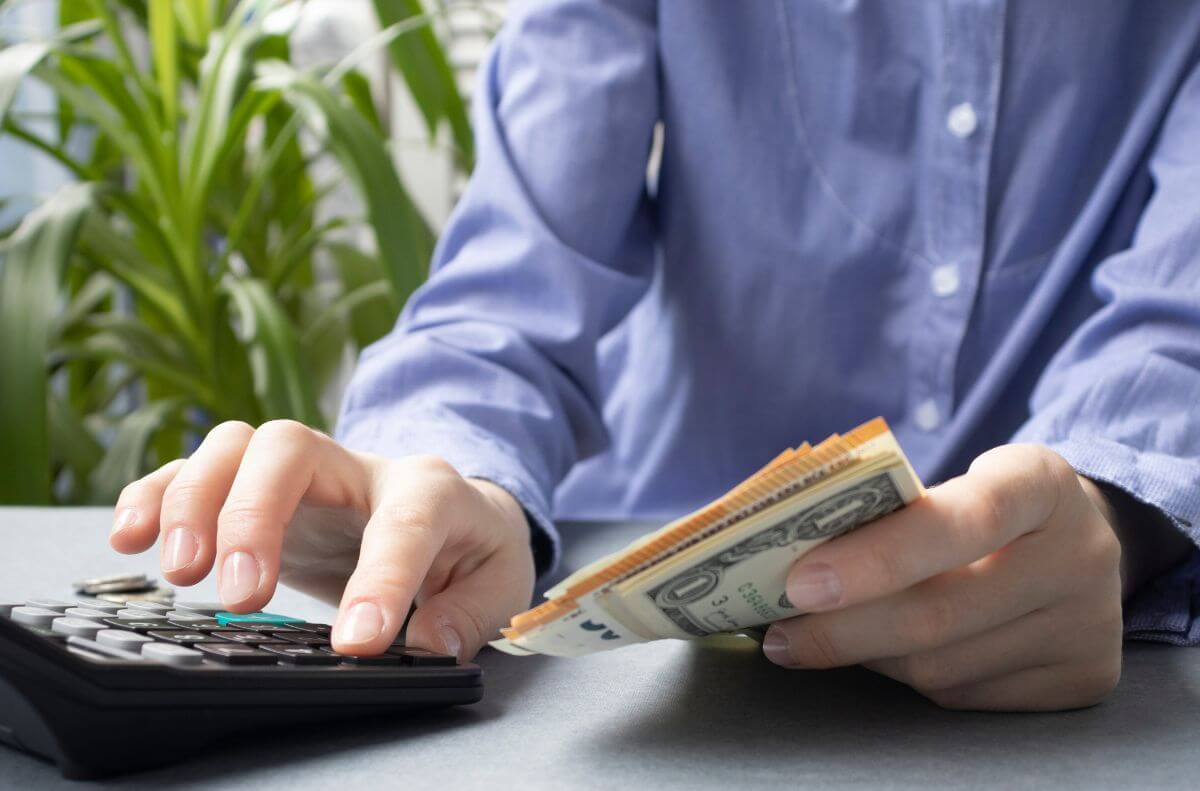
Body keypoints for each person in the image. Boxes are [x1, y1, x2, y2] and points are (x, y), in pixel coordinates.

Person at [108, 2, 1200, 711]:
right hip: (625, 664)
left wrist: (1115, 511)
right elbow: (513, 279)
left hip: (1086, 662)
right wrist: (442, 463)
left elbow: (1179, 328)